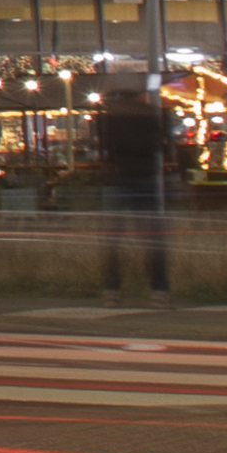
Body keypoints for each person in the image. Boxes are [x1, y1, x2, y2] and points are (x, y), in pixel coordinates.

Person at [89, 72, 181, 294]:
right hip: (146, 176)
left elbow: (102, 151)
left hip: (118, 178)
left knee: (113, 239)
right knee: (152, 238)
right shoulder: (153, 115)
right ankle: (159, 288)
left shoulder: (107, 118)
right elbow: (164, 147)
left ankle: (112, 287)